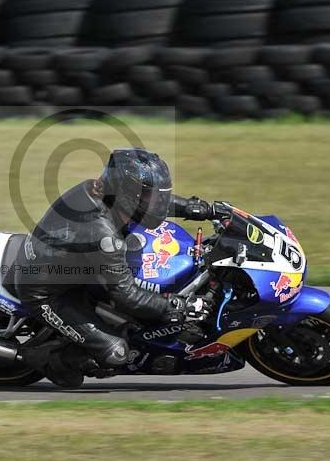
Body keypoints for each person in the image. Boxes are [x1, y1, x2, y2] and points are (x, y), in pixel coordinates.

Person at [12, 148, 217, 388]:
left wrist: (198, 208)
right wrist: (177, 306)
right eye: (149, 196)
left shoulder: (105, 193)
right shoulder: (103, 234)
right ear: (127, 194)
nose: (156, 201)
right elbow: (126, 294)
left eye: (155, 195)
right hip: (45, 292)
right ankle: (48, 359)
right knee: (116, 354)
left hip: (75, 269)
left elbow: (151, 204)